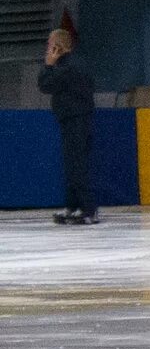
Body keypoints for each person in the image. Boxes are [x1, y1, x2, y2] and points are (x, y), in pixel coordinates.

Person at [36, 22, 97, 226]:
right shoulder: (74, 64)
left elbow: (45, 85)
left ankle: (88, 209)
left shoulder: (67, 67)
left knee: (76, 165)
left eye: (50, 44)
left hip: (76, 119)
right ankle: (73, 207)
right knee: (72, 164)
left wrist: (48, 64)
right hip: (75, 119)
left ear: (57, 46)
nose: (47, 47)